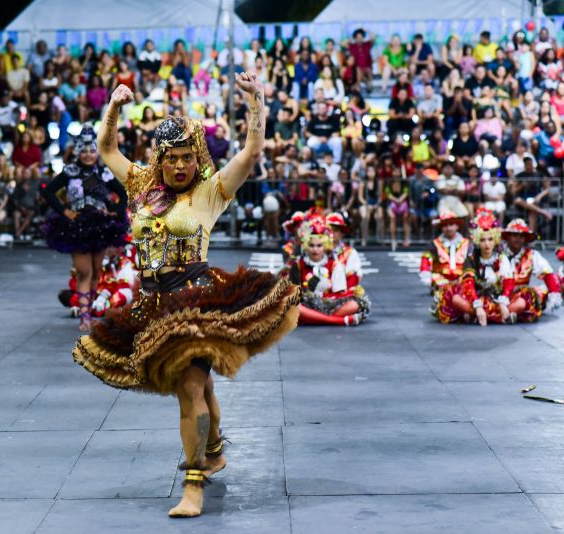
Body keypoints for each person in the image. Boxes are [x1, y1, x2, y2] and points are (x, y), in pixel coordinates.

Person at [75, 76, 300, 518]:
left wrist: (256, 101)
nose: (179, 166)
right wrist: (115, 108)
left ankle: (193, 485)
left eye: (186, 158)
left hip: (196, 300)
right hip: (153, 302)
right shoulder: (142, 186)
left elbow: (252, 152)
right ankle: (213, 449)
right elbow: (106, 148)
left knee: (190, 388)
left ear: (197, 158)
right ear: (159, 159)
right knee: (197, 385)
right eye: (171, 158)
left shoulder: (210, 190)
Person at [41, 125, 129, 331]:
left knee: (97, 271)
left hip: (100, 225)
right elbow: (49, 192)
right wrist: (65, 211)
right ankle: (84, 317)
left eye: (92, 151)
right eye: (84, 151)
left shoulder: (103, 172)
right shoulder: (70, 172)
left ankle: (88, 312)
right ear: (78, 151)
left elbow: (123, 193)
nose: (88, 155)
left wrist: (115, 210)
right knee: (83, 272)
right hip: (77, 225)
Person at [433, 209, 516, 325]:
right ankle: (493, 315)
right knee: (455, 299)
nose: (487, 244)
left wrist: (503, 302)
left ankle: (479, 315)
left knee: (521, 302)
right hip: (475, 298)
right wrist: (477, 306)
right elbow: (468, 284)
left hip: (498, 297)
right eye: (483, 240)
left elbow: (508, 282)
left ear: (495, 240)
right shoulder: (471, 259)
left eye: (490, 239)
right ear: (477, 241)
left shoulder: (502, 258)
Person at [282, 216, 368, 326]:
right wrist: (307, 292)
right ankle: (339, 321)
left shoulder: (335, 265)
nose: (315, 249)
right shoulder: (299, 265)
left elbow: (341, 295)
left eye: (319, 245)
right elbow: (293, 294)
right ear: (306, 246)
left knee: (354, 305)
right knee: (291, 306)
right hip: (306, 305)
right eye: (312, 245)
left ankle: (313, 319)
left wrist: (324, 293)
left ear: (325, 246)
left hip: (330, 305)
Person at [502, 218, 562, 321]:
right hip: (501, 295)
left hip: (522, 295)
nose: (518, 239)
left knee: (538, 293)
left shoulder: (532, 255)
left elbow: (548, 273)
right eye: (515, 235)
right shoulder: (498, 255)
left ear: (525, 239)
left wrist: (554, 293)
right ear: (507, 237)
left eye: (521, 236)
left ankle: (511, 313)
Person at [419, 210, 471, 291]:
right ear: (441, 228)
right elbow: (425, 260)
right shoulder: (434, 244)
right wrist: (426, 275)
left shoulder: (467, 244)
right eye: (445, 225)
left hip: (462, 279)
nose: (448, 228)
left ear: (457, 226)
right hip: (440, 280)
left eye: (451, 224)